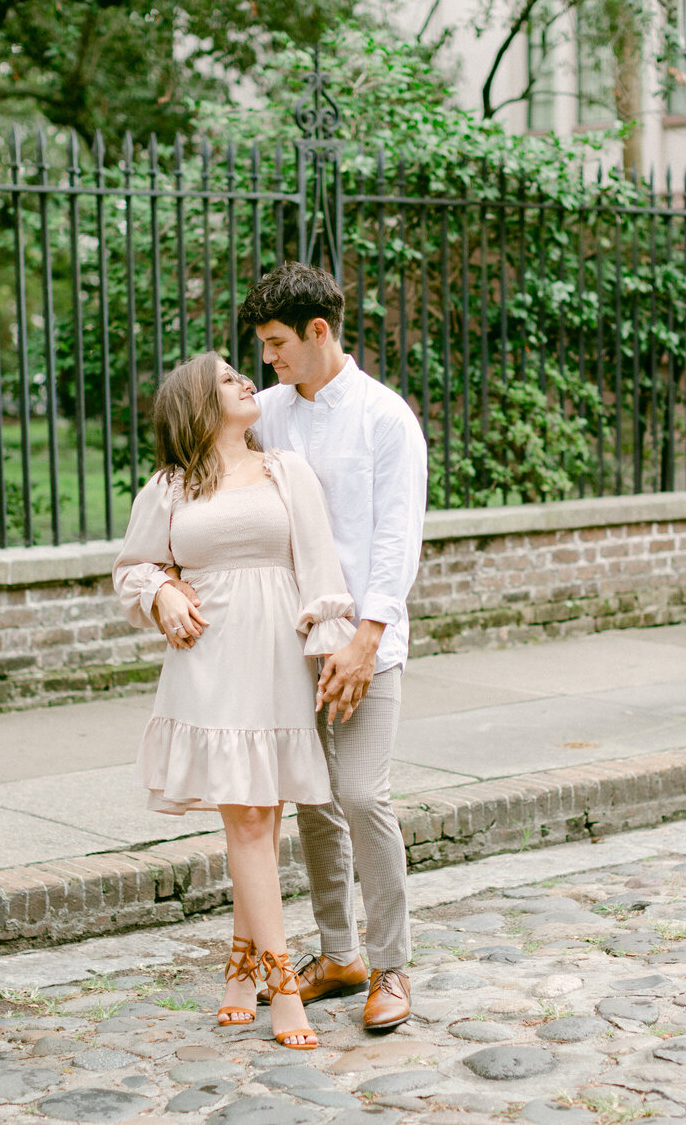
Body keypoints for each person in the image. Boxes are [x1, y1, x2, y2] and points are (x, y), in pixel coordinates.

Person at [112, 351, 356, 1051]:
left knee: (260, 818)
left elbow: (319, 567)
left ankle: (241, 965)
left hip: (277, 659)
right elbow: (134, 570)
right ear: (198, 402)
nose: (247, 381)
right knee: (248, 820)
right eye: (227, 379)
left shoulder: (287, 472)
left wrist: (331, 645)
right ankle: (283, 982)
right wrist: (160, 591)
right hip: (208, 663)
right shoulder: (169, 486)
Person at [242, 261, 428, 1031]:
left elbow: (395, 537)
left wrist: (366, 638)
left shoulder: (387, 419)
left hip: (366, 642)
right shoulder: (268, 413)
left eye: (279, 343)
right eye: (261, 345)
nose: (268, 359)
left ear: (320, 331)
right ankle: (339, 952)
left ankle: (392, 966)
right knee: (314, 801)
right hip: (292, 642)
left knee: (360, 794)